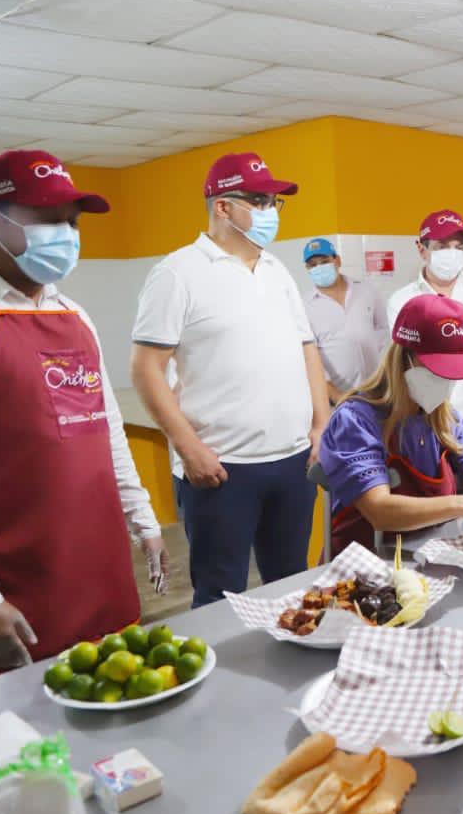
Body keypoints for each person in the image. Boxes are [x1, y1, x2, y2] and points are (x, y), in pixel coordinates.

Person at [0, 150, 168, 675]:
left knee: (116, 706)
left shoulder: (73, 315)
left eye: (71, 220)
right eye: (45, 218)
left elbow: (105, 430)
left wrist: (142, 518)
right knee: (34, 745)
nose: (64, 232)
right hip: (16, 582)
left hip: (101, 565)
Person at [131, 153, 329, 608]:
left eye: (275, 203)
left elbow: (306, 348)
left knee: (291, 585)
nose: (270, 212)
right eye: (259, 201)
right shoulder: (177, 273)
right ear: (222, 207)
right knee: (221, 593)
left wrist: (321, 424)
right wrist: (189, 448)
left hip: (293, 460)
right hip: (222, 469)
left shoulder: (277, 271)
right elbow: (145, 369)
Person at [321, 294, 463, 553]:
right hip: (367, 563)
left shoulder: (446, 418)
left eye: (454, 373)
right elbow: (379, 510)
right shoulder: (356, 421)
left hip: (431, 554)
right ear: (404, 359)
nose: (447, 382)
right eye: (439, 371)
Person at [387, 209, 463, 468]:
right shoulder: (401, 300)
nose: (452, 253)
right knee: (428, 506)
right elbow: (410, 364)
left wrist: (434, 345)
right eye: (441, 246)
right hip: (423, 429)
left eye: (458, 246)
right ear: (422, 249)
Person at [301, 237, 387, 404]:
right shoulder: (304, 306)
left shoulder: (366, 290)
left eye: (324, 261)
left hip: (376, 389)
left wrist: (368, 346)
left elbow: (383, 326)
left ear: (337, 260)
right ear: (307, 268)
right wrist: (336, 396)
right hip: (336, 397)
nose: (319, 267)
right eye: (313, 265)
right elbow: (310, 359)